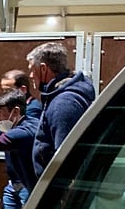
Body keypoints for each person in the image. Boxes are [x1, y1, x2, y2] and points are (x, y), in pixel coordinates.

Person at [26, 42, 95, 178]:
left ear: (44, 68)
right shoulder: (60, 96)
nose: (31, 75)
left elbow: (65, 159)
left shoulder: (64, 103)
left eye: (32, 70)